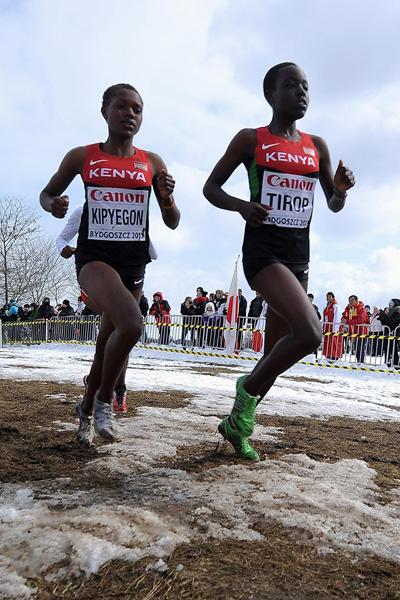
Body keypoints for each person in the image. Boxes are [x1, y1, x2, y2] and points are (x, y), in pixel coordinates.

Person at [203, 62, 354, 460]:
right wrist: (241, 206)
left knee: (273, 355)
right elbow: (210, 187)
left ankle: (237, 426)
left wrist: (339, 190)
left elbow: (333, 205)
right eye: (291, 85)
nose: (302, 92)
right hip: (263, 254)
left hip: (297, 259)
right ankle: (245, 394)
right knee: (310, 333)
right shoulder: (251, 140)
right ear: (271, 95)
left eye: (306, 86)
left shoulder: (316, 146)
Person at [40, 83, 180, 443]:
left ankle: (85, 408)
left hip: (133, 263)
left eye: (137, 109)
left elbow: (173, 220)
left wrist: (165, 200)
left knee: (106, 344)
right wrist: (52, 204)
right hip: (95, 259)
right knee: (132, 325)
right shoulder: (82, 156)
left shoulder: (152, 162)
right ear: (105, 111)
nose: (130, 114)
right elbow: (47, 193)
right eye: (122, 107)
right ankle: (104, 399)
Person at [341, 295, 369, 364]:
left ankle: (361, 362)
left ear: (356, 301)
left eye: (352, 300)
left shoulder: (361, 309)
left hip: (362, 332)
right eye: (349, 301)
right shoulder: (350, 309)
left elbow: (360, 320)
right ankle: (359, 362)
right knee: (356, 348)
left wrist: (347, 321)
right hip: (354, 332)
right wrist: (347, 309)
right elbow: (344, 316)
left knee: (360, 348)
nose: (350, 302)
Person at [378, 299, 400, 368]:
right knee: (388, 349)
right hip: (388, 334)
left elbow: (391, 323)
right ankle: (388, 363)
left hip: (395, 334)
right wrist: (382, 317)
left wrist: (383, 315)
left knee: (393, 350)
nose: (390, 305)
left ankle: (396, 365)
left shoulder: (397, 312)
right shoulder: (390, 312)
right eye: (389, 303)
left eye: (391, 303)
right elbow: (386, 323)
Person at [322, 292, 343, 361]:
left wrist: (335, 329)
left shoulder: (335, 306)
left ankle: (335, 356)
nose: (328, 298)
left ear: (333, 297)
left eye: (329, 297)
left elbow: (337, 317)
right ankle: (328, 355)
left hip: (334, 327)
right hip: (328, 327)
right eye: (327, 297)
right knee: (328, 342)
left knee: (334, 342)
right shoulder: (327, 307)